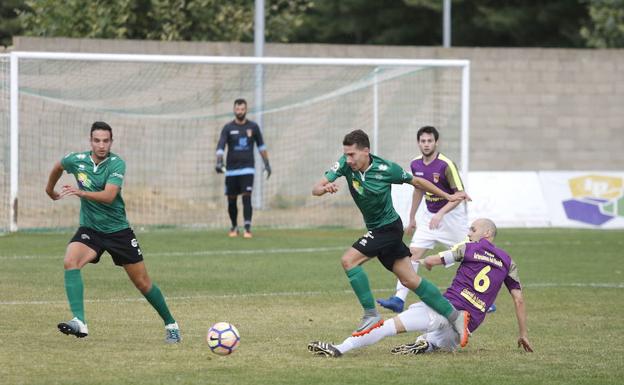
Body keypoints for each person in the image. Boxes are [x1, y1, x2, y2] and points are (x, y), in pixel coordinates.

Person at [312, 129, 471, 342]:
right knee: (410, 280)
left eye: (352, 155)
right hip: (380, 229)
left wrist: (447, 195)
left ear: (366, 151)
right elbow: (316, 188)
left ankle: (371, 314)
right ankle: (457, 316)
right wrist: (325, 188)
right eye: (346, 154)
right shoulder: (343, 164)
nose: (348, 159)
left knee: (349, 261)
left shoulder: (386, 169)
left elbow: (418, 183)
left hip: (387, 228)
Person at [308, 218, 533, 357]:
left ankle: (340, 348)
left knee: (388, 326)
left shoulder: (469, 248)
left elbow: (436, 260)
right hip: (470, 323)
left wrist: (420, 261)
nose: (468, 233)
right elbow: (519, 299)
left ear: (486, 234)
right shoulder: (508, 261)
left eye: (473, 229)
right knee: (434, 339)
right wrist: (523, 334)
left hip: (446, 307)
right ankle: (427, 344)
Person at [45, 121, 181, 343]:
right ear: (90, 141)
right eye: (97, 140)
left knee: (143, 283)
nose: (101, 145)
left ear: (111, 142)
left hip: (118, 232)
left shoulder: (117, 164)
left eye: (105, 141)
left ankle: (171, 324)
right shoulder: (77, 160)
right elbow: (58, 166)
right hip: (91, 229)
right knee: (71, 260)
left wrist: (80, 193)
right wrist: (49, 190)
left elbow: (108, 196)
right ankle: (79, 321)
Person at [378, 126, 495, 313]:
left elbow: (460, 194)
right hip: (428, 217)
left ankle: (483, 298)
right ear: (418, 143)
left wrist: (441, 214)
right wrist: (412, 217)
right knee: (411, 254)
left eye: (429, 141)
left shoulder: (446, 165)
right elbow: (418, 189)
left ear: (436, 142)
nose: (426, 144)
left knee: (469, 254)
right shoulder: (415, 164)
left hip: (451, 217)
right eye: (423, 141)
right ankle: (399, 299)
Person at [215, 98, 271, 239]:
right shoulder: (228, 128)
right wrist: (219, 161)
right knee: (231, 200)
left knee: (247, 197)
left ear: (246, 110)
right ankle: (234, 226)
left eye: (242, 109)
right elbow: (221, 146)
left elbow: (261, 147)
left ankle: (247, 228)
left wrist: (267, 163)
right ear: (234, 110)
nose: (240, 111)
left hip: (248, 169)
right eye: (237, 109)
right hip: (231, 170)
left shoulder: (253, 127)